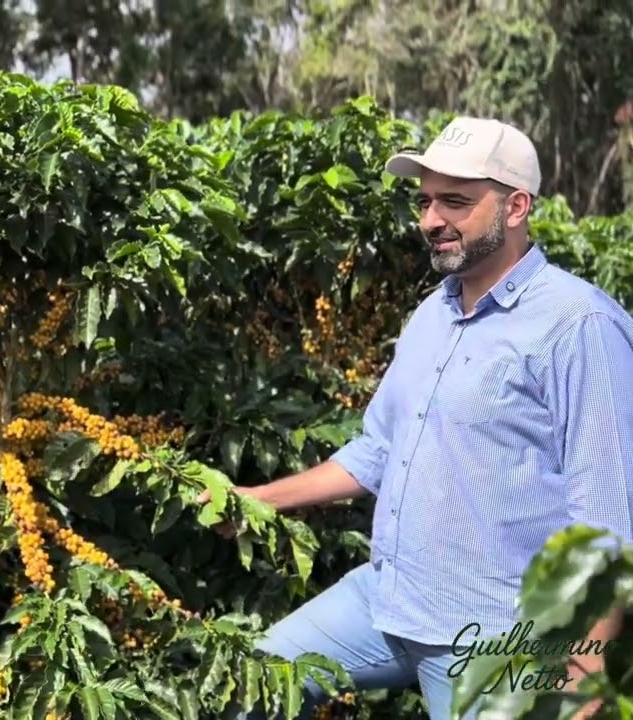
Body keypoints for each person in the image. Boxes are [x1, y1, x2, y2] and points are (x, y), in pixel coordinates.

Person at [202, 117, 633, 720]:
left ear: (515, 207)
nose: (431, 219)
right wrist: (257, 499)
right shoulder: (432, 314)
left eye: (455, 201)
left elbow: (609, 515)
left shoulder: (578, 324)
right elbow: (378, 451)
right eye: (426, 200)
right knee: (242, 693)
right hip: (390, 599)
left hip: (493, 631)